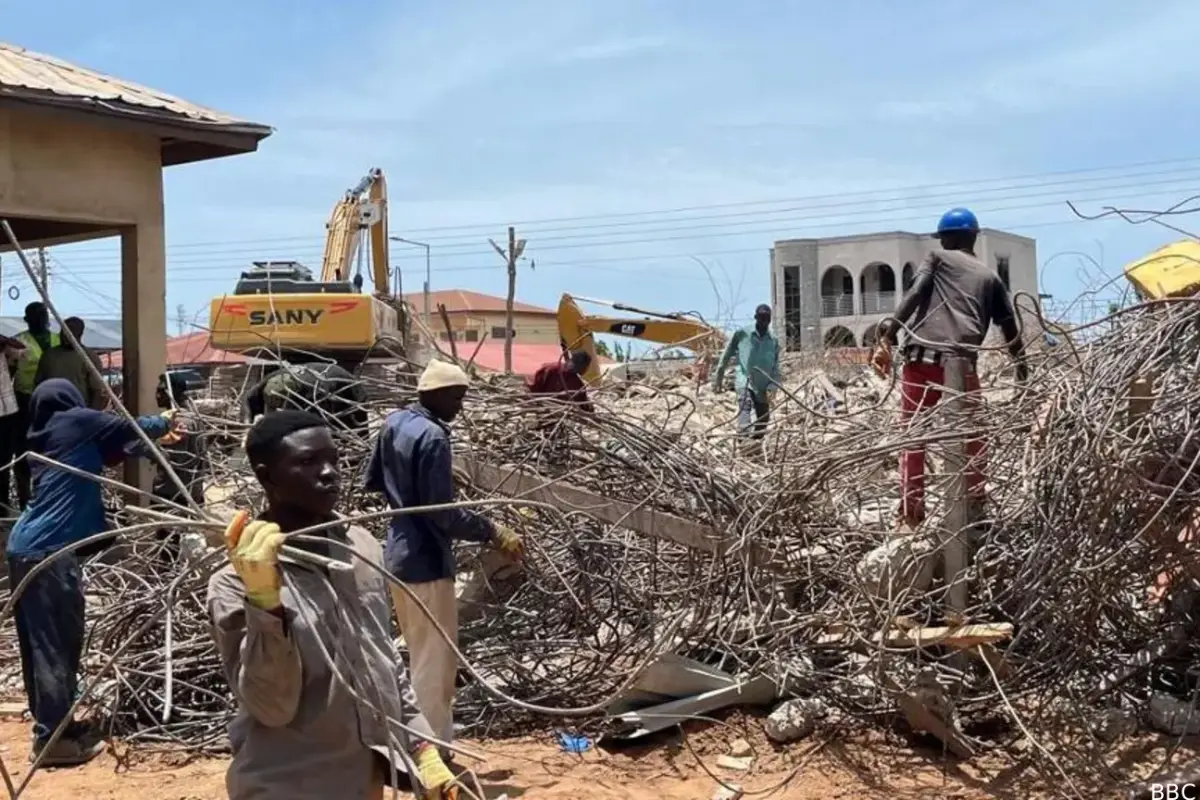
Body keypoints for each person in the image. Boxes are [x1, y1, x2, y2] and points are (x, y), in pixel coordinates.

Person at [207, 411, 458, 799]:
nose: (329, 473)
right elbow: (270, 706)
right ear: (266, 475)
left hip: (361, 783)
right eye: (307, 462)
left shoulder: (360, 548)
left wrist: (421, 745)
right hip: (286, 785)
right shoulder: (234, 581)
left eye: (333, 460)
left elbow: (382, 661)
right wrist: (265, 604)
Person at [5, 379, 179, 766]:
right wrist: (165, 420)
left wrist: (153, 438)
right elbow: (135, 428)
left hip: (31, 547)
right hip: (48, 551)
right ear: (70, 398)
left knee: (45, 646)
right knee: (55, 646)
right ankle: (53, 741)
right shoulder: (74, 421)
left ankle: (58, 726)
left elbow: (113, 449)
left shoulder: (51, 433)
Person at [365, 360, 524, 756]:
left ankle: (411, 743)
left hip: (396, 554)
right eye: (456, 397)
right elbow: (441, 513)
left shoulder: (394, 423)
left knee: (417, 654)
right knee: (434, 666)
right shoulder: (434, 437)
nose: (459, 405)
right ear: (434, 395)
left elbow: (373, 481)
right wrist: (493, 531)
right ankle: (431, 751)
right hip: (427, 560)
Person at [871, 207, 1027, 529]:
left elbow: (914, 294)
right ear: (973, 237)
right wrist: (1022, 368)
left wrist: (888, 334)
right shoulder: (991, 278)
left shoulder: (937, 259)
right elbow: (1010, 328)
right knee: (973, 436)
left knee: (913, 436)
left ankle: (911, 511)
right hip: (960, 364)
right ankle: (973, 505)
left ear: (946, 239)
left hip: (920, 359)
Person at [151, 372, 207, 564]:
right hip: (191, 489)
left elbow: (177, 459)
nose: (157, 395)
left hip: (175, 492)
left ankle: (168, 581)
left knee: (169, 545)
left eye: (160, 391)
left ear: (171, 392)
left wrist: (150, 447)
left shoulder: (180, 421)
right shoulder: (191, 415)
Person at [11, 302, 60, 509]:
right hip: (25, 401)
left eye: (43, 314)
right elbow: (10, 372)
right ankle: (24, 502)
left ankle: (48, 500)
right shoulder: (18, 342)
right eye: (35, 315)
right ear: (27, 319)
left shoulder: (59, 340)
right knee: (23, 451)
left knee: (51, 451)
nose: (40, 319)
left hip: (53, 403)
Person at [712, 304, 781, 439]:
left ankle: (755, 445)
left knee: (763, 418)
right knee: (745, 405)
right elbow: (726, 355)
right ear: (756, 317)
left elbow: (776, 366)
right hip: (745, 379)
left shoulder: (773, 340)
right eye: (761, 318)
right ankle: (743, 438)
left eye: (767, 318)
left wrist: (774, 386)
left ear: (770, 319)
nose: (764, 321)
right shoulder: (743, 334)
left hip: (763, 386)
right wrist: (718, 377)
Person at [245, 361, 368, 433]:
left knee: (349, 432)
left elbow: (316, 428)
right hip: (312, 380)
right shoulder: (265, 384)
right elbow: (247, 404)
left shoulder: (314, 396)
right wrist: (247, 431)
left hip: (349, 391)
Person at [35, 317, 106, 410]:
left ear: (79, 334)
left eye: (70, 332)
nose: (65, 335)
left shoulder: (89, 357)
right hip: (51, 411)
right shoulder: (49, 355)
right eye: (63, 331)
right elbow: (39, 384)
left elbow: (98, 391)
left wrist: (92, 415)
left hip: (78, 411)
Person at [0, 332, 26, 516]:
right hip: (6, 412)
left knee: (4, 461)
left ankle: (2, 507)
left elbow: (23, 351)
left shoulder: (5, 347)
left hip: (6, 412)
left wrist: (6, 341)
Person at [526, 350, 594, 411]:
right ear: (582, 366)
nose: (586, 369)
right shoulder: (577, 385)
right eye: (586, 366)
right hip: (544, 410)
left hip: (545, 411)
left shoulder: (549, 368)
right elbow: (582, 407)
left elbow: (533, 388)